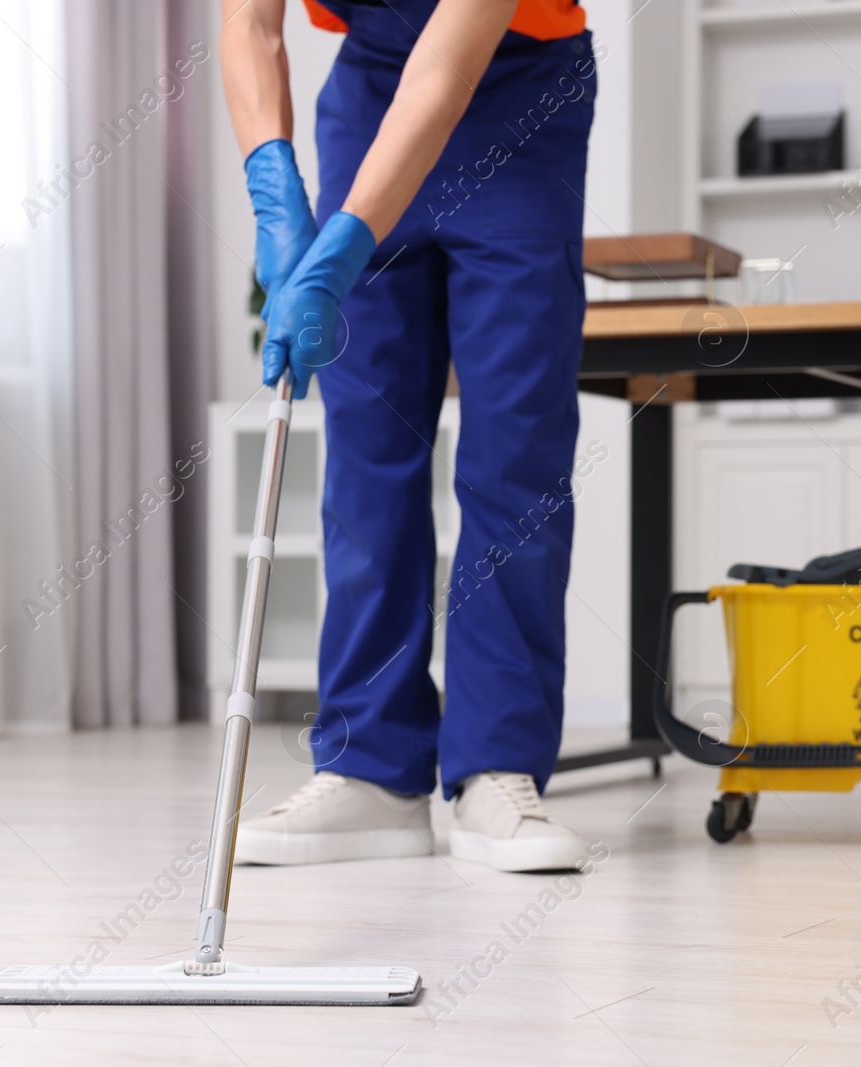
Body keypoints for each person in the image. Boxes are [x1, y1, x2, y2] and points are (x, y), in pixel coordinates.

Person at [220, 0, 597, 871]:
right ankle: (370, 770)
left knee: (517, 439)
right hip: (369, 91)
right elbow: (251, 24)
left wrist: (347, 237)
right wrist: (274, 194)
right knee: (365, 445)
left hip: (519, 98)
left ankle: (496, 770)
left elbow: (447, 70)